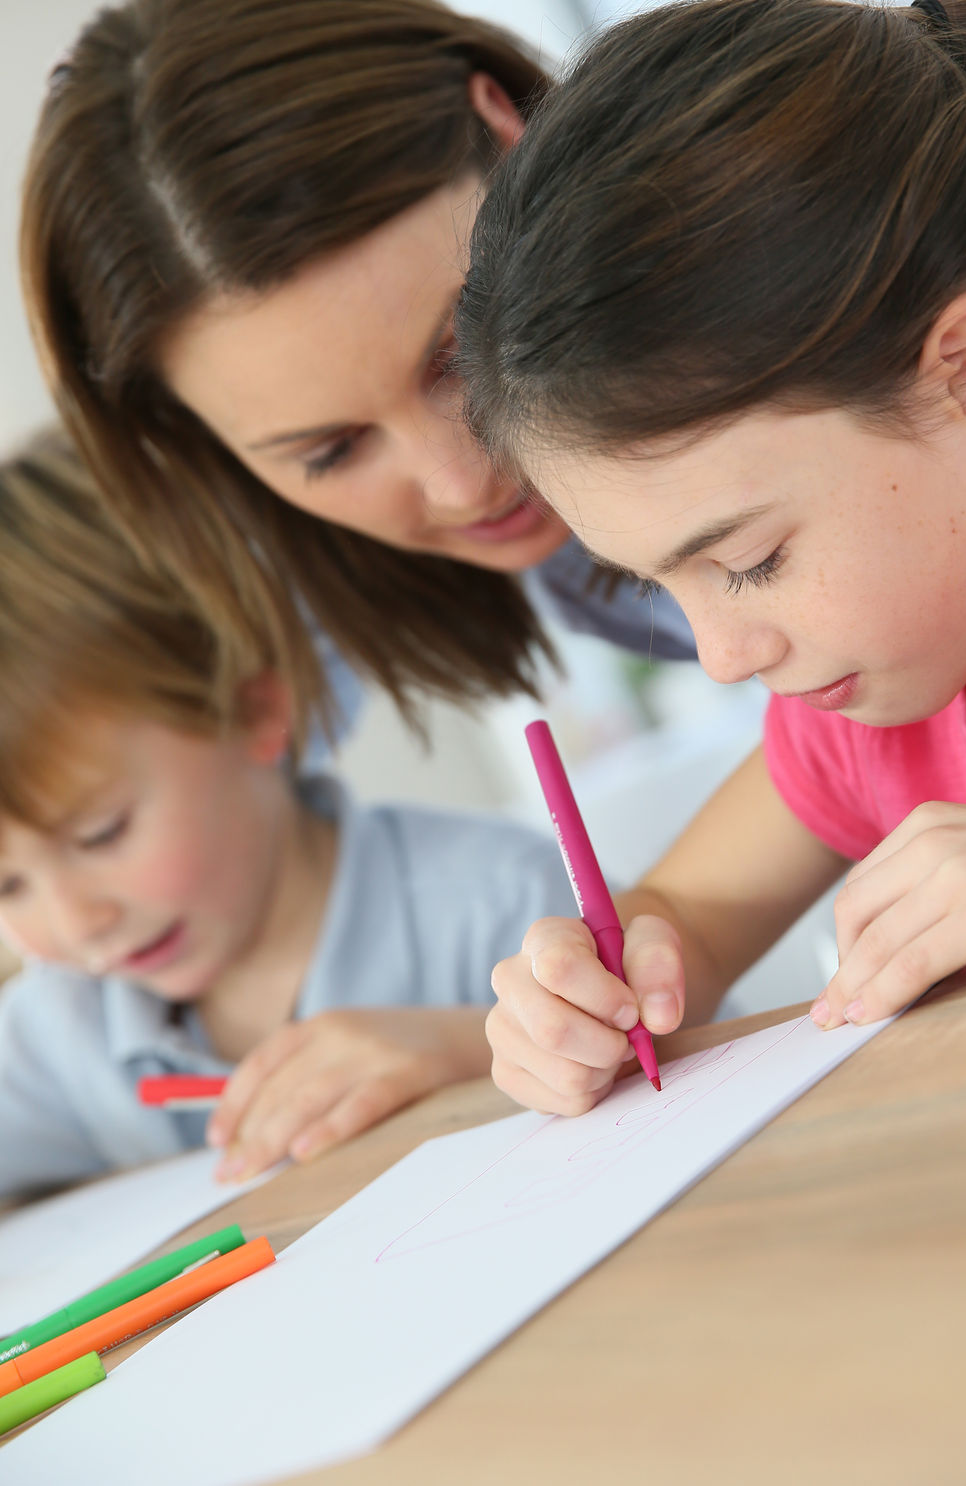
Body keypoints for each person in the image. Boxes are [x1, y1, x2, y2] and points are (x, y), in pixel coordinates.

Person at [454, 0, 966, 1114]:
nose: (719, 654)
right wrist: (596, 987)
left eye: (750, 561)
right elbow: (692, 916)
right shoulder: (864, 710)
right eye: (654, 581)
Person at [20, 0, 693, 747]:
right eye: (332, 452)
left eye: (462, 353)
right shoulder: (306, 547)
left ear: (508, 129)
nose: (463, 484)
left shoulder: (814, 308)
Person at [0, 430, 574, 1197]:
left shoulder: (508, 906)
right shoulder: (64, 1025)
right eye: (6, 888)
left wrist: (480, 1050)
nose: (76, 922)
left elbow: (704, 1074)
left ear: (256, 710)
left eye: (101, 833)